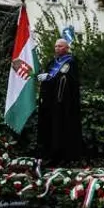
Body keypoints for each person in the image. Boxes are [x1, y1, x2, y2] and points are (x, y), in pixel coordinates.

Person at [36, 38, 84, 166]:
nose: (57, 48)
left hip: (64, 104)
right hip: (51, 104)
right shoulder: (52, 62)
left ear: (66, 48)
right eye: (56, 46)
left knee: (63, 129)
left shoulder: (71, 63)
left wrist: (51, 77)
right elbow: (49, 77)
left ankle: (65, 157)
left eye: (60, 46)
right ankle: (50, 156)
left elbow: (69, 80)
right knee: (50, 130)